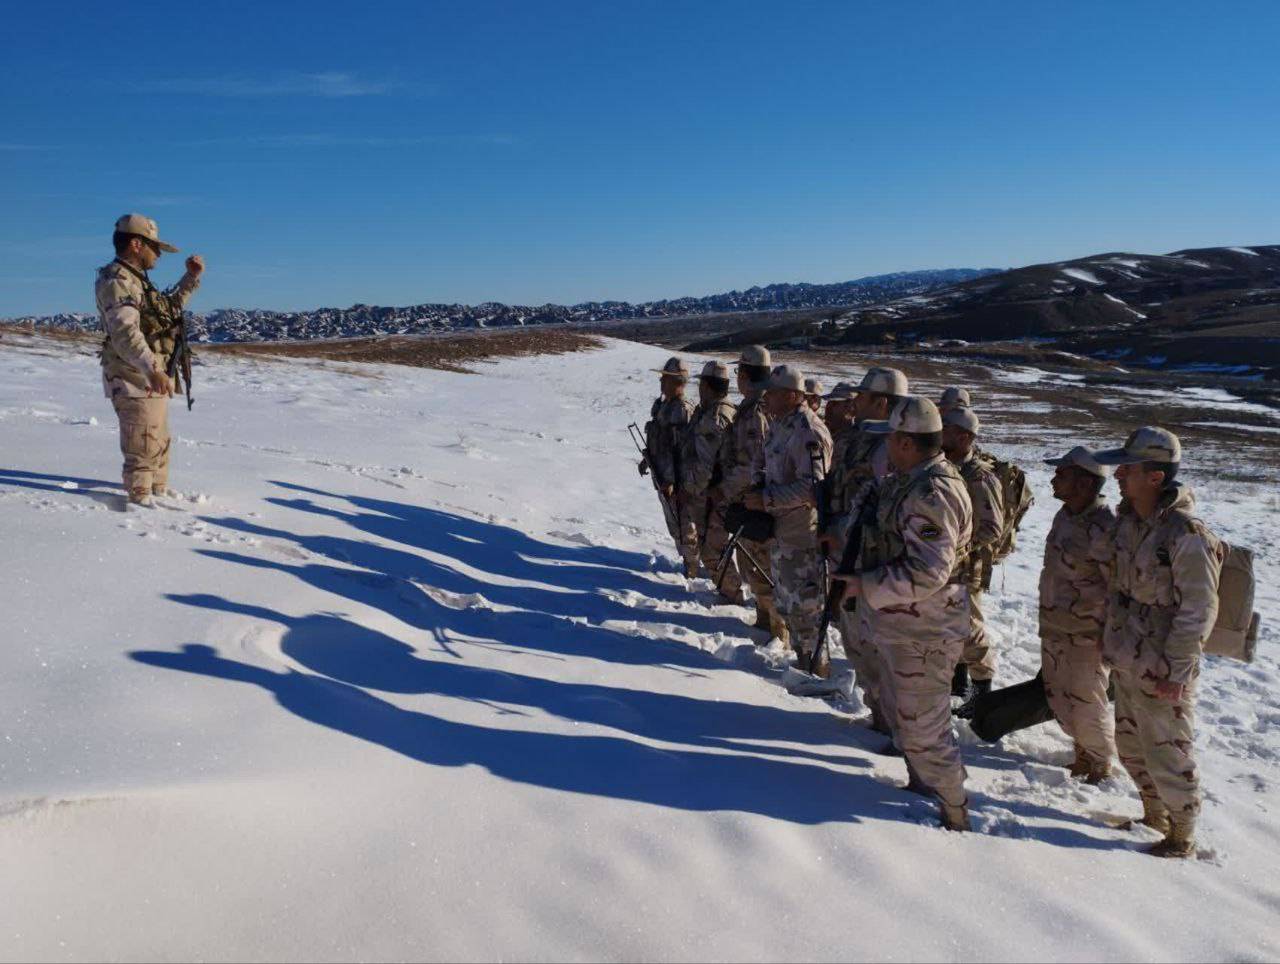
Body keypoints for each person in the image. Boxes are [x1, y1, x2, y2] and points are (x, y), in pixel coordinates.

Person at [837, 396, 974, 830]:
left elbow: (931, 570)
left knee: (926, 732)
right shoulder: (907, 481)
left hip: (927, 631)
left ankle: (956, 811)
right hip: (903, 626)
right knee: (908, 721)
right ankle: (922, 786)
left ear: (905, 442)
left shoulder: (933, 492)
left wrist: (867, 585)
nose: (886, 449)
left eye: (891, 440)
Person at [1094, 427, 1224, 858]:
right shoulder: (1131, 521)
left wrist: (1177, 672)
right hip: (1131, 656)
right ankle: (1155, 814)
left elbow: (1198, 610)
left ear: (1154, 477)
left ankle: (1181, 834)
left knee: (1168, 751)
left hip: (1162, 666)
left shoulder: (1186, 534)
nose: (1118, 475)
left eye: (1126, 468)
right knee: (1132, 746)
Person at [95, 213, 204, 506]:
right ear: (135, 244)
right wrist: (152, 368)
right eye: (154, 247)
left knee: (157, 442)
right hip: (133, 376)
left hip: (149, 376)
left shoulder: (138, 282)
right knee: (142, 447)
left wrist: (190, 278)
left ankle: (160, 498)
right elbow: (125, 333)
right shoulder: (117, 281)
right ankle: (142, 516)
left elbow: (167, 311)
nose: (158, 254)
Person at [820, 368, 907, 729]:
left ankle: (896, 724)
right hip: (846, 551)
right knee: (855, 638)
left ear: (882, 402)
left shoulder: (898, 448)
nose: (853, 401)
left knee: (880, 646)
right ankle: (880, 715)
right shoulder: (856, 437)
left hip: (876, 562)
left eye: (863, 396)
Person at [744, 365, 832, 669]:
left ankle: (816, 673)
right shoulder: (780, 425)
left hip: (802, 536)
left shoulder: (808, 430)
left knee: (806, 612)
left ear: (793, 395)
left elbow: (813, 488)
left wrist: (767, 499)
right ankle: (803, 663)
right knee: (789, 605)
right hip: (781, 533)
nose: (765, 396)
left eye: (773, 392)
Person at [1039, 446, 1116, 783]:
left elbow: (1119, 587)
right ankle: (1082, 754)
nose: (1054, 479)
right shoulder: (1066, 515)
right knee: (1059, 697)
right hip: (1056, 627)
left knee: (1087, 703)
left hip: (1087, 635)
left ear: (1085, 483)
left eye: (1062, 473)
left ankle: (1099, 764)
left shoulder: (1104, 528)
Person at [716, 346, 784, 637]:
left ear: (744, 374)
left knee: (762, 568)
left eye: (739, 373)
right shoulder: (757, 405)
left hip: (756, 503)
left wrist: (724, 489)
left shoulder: (757, 410)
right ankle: (764, 621)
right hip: (752, 502)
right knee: (754, 567)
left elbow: (754, 463)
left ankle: (778, 630)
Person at [941, 406, 1004, 706]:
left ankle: (982, 692)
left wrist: (957, 544)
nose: (939, 432)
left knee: (970, 632)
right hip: (945, 566)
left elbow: (992, 528)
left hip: (966, 569)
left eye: (947, 429)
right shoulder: (946, 468)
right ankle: (955, 685)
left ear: (965, 437)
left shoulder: (979, 476)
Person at [680, 361, 741, 600]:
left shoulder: (715, 416)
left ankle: (732, 595)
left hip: (711, 496)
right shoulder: (709, 410)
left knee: (713, 549)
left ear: (707, 385)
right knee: (711, 547)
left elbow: (705, 464)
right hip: (712, 493)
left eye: (701, 383)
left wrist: (690, 489)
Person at [640, 357, 698, 576]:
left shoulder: (683, 410)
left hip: (677, 482)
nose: (661, 382)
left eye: (665, 378)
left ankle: (692, 567)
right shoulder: (663, 406)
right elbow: (659, 439)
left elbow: (682, 451)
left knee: (684, 525)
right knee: (674, 525)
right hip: (661, 476)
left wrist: (673, 481)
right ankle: (687, 560)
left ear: (678, 382)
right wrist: (647, 459)